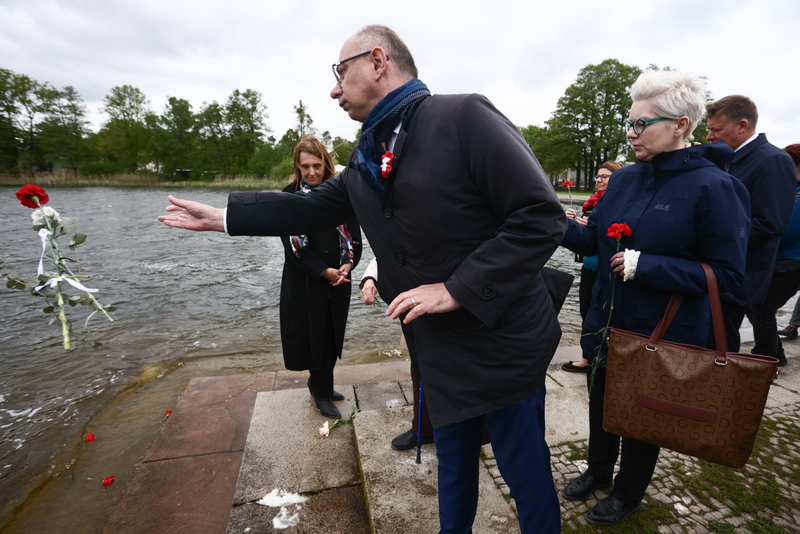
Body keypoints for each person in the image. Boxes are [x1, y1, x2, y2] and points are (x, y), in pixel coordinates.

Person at [158, 24, 565, 534]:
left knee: (523, 471)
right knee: (453, 463)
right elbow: (302, 209)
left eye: (339, 72)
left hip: (500, 342)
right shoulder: (367, 161)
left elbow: (540, 215)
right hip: (436, 345)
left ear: (378, 61)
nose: (334, 89)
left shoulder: (464, 116)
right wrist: (223, 217)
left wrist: (457, 288)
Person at [560, 70, 750, 526]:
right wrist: (553, 222)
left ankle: (629, 492)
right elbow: (596, 246)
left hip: (664, 331)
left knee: (644, 416)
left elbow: (728, 276)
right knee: (602, 400)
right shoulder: (625, 181)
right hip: (607, 323)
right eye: (630, 122)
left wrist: (650, 266)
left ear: (681, 124)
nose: (630, 133)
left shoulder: (716, 187)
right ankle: (599, 471)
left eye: (641, 124)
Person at [279, 135, 362, 419]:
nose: (311, 172)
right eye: (305, 167)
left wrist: (348, 265)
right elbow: (294, 249)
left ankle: (322, 383)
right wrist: (323, 271)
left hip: (340, 280)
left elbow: (356, 239)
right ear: (297, 166)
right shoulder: (288, 197)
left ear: (326, 164)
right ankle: (321, 392)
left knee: (332, 334)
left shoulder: (341, 195)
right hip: (306, 282)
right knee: (315, 336)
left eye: (317, 165)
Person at [705, 96, 797, 352]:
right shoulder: (727, 158)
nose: (709, 136)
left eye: (716, 129)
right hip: (719, 270)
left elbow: (770, 224)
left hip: (738, 275)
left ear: (742, 125)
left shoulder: (773, 160)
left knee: (718, 347)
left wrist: (708, 240)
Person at [360, 258, 435, 450]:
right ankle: (423, 429)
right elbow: (385, 250)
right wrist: (370, 279)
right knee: (419, 367)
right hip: (416, 308)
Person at [562, 161, 623, 373]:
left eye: (604, 176)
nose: (598, 180)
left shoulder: (617, 203)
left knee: (601, 314)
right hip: (589, 265)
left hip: (605, 268)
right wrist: (570, 223)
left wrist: (593, 229)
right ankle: (587, 357)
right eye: (598, 176)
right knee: (585, 310)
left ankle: (598, 359)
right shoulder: (591, 203)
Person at [746, 144, 800, 367]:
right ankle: (774, 352)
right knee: (756, 305)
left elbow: (784, 232)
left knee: (761, 307)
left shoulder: (797, 194)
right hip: (784, 262)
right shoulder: (792, 190)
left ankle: (769, 356)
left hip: (790, 263)